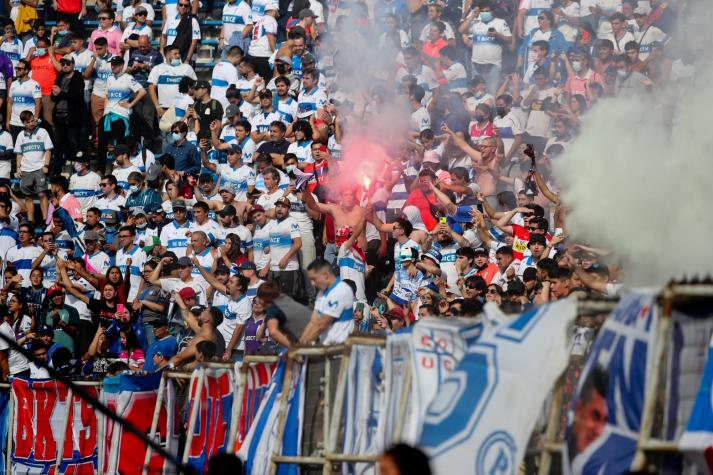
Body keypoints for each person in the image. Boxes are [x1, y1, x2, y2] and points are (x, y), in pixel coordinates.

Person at [300, 259, 354, 345]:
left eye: (314, 279)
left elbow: (321, 325)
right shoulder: (321, 293)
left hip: (340, 350)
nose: (312, 283)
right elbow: (313, 322)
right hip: (327, 347)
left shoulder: (341, 290)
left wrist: (301, 347)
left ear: (325, 275)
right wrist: (299, 344)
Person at [14, 110, 53, 223]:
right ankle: (31, 220)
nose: (31, 123)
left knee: (42, 193)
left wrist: (46, 165)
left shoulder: (43, 132)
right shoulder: (21, 135)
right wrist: (18, 168)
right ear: (23, 123)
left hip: (39, 168)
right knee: (27, 196)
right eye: (28, 122)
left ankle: (46, 220)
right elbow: (19, 153)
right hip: (25, 169)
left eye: (32, 120)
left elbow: (48, 150)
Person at [50, 53, 84, 175]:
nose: (64, 66)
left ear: (73, 65)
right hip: (59, 116)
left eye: (67, 63)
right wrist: (53, 94)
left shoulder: (78, 77)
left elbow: (78, 97)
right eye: (62, 63)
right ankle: (56, 172)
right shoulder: (59, 77)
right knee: (58, 145)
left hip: (72, 117)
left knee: (73, 143)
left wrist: (60, 93)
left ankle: (77, 170)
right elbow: (54, 98)